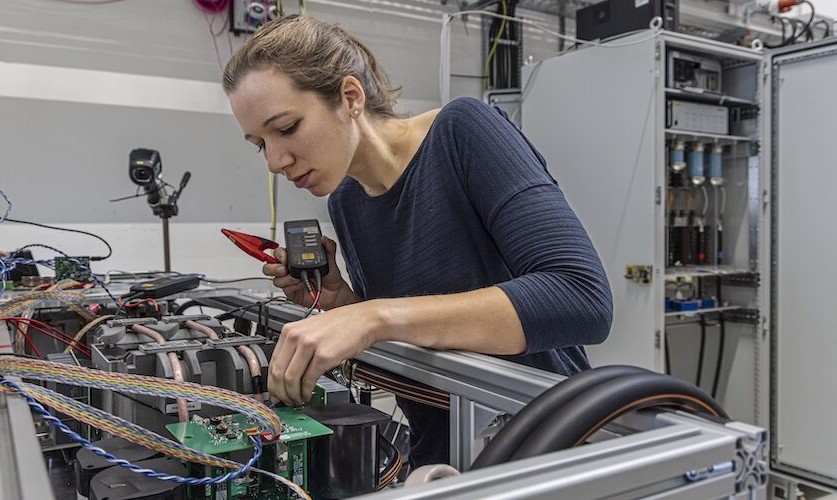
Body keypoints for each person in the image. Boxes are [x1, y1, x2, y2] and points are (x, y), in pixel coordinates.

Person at [221, 15, 613, 468]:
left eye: (286, 128)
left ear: (350, 97)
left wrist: (374, 315)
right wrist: (343, 302)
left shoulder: (461, 132)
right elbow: (414, 335)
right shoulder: (348, 200)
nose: (274, 161)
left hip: (544, 449)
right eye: (259, 143)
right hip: (442, 459)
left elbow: (581, 298)